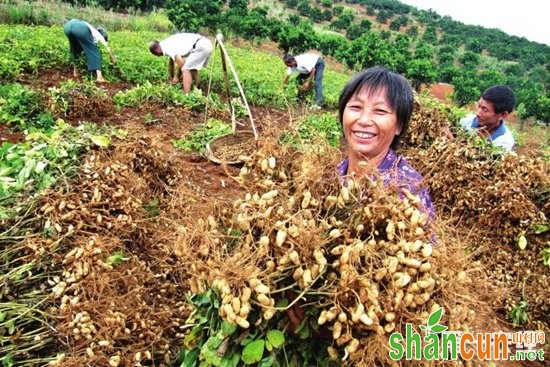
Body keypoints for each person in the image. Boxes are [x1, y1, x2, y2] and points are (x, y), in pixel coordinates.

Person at [336, 66, 434, 219]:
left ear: (399, 125)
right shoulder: (330, 174)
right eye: (356, 107)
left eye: (380, 111)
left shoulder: (408, 190)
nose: (364, 120)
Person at [446, 85, 516, 151]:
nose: (478, 113)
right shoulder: (466, 121)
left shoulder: (504, 143)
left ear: (502, 115)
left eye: (485, 109)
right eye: (479, 106)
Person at [149, 33, 213, 94]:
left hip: (200, 46)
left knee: (186, 69)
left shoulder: (167, 47)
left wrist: (177, 77)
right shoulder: (166, 43)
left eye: (157, 55)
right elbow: (171, 63)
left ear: (156, 50)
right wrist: (172, 78)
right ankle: (196, 90)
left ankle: (187, 97)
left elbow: (182, 63)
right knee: (193, 69)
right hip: (205, 43)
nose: (159, 56)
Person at [63, 19, 116, 83]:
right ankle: (99, 77)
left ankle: (75, 72)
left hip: (67, 26)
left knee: (75, 49)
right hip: (79, 28)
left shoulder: (91, 30)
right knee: (94, 50)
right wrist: (113, 61)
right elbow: (108, 50)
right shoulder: (99, 36)